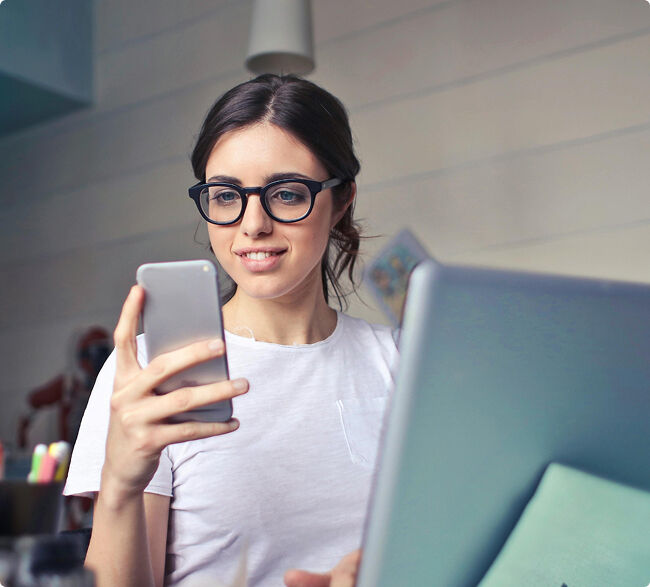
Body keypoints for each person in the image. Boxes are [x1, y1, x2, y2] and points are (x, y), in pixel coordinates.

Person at [64, 74, 398, 587]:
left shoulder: (401, 364)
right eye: (225, 196)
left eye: (286, 194)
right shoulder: (154, 373)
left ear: (342, 199)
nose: (253, 225)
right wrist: (120, 486)